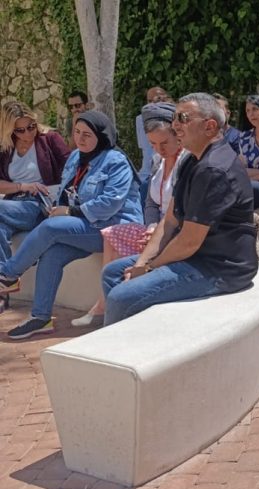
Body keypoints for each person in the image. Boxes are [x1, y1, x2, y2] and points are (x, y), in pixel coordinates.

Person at [101, 93, 258, 325]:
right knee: (112, 272)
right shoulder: (192, 161)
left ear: (210, 126)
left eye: (183, 118)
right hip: (195, 257)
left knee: (120, 297)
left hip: (219, 268)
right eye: (174, 118)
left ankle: (118, 344)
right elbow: (169, 221)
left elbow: (188, 242)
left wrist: (149, 268)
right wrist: (141, 264)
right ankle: (134, 332)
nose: (175, 125)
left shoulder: (214, 169)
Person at [0, 110, 142, 339]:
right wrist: (56, 207)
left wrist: (68, 212)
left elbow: (110, 204)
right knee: (52, 255)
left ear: (101, 136)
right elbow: (67, 194)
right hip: (85, 226)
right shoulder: (76, 157)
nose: (80, 138)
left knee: (50, 228)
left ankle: (7, 275)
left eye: (87, 134)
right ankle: (40, 317)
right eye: (77, 132)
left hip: (113, 227)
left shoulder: (116, 161)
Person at [71, 102, 188, 327]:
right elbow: (151, 202)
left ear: (178, 135)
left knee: (120, 264)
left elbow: (180, 211)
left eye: (164, 143)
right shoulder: (158, 161)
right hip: (155, 229)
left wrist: (157, 233)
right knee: (112, 234)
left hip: (173, 232)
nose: (159, 149)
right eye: (153, 144)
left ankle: (112, 308)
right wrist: (151, 226)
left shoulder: (187, 164)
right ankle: (105, 304)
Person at [0, 101, 72, 312]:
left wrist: (58, 197)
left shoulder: (49, 139)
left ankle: (6, 282)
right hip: (12, 204)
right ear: (10, 129)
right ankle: (3, 288)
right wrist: (22, 186)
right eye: (20, 130)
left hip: (39, 204)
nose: (28, 133)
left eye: (31, 126)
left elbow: (72, 168)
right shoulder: (6, 147)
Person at [136, 86, 172, 183]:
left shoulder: (173, 117)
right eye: (149, 101)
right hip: (146, 174)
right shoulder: (140, 119)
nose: (153, 103)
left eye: (158, 99)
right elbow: (144, 149)